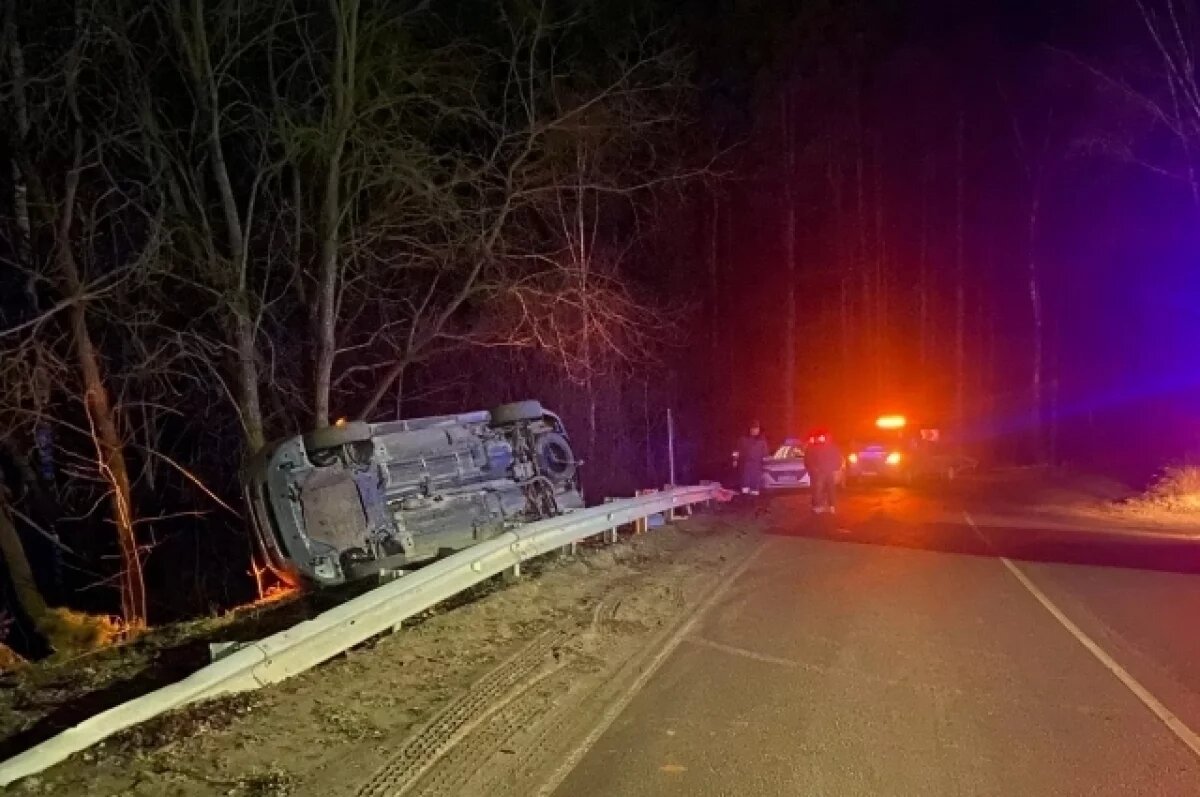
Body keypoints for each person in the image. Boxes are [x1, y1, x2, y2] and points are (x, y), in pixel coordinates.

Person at [804, 429, 842, 513]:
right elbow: (809, 460)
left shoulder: (830, 447)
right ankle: (820, 506)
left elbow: (837, 458)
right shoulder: (816, 447)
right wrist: (814, 469)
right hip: (821, 471)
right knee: (821, 489)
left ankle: (828, 506)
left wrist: (835, 467)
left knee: (827, 489)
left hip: (826, 471)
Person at [732, 421, 769, 496]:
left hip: (756, 467)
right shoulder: (742, 439)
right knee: (745, 487)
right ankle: (744, 500)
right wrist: (735, 460)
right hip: (745, 466)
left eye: (757, 429)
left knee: (754, 489)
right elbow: (736, 451)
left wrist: (766, 463)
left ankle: (754, 502)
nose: (755, 430)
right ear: (750, 429)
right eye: (753, 428)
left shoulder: (762, 441)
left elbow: (765, 454)